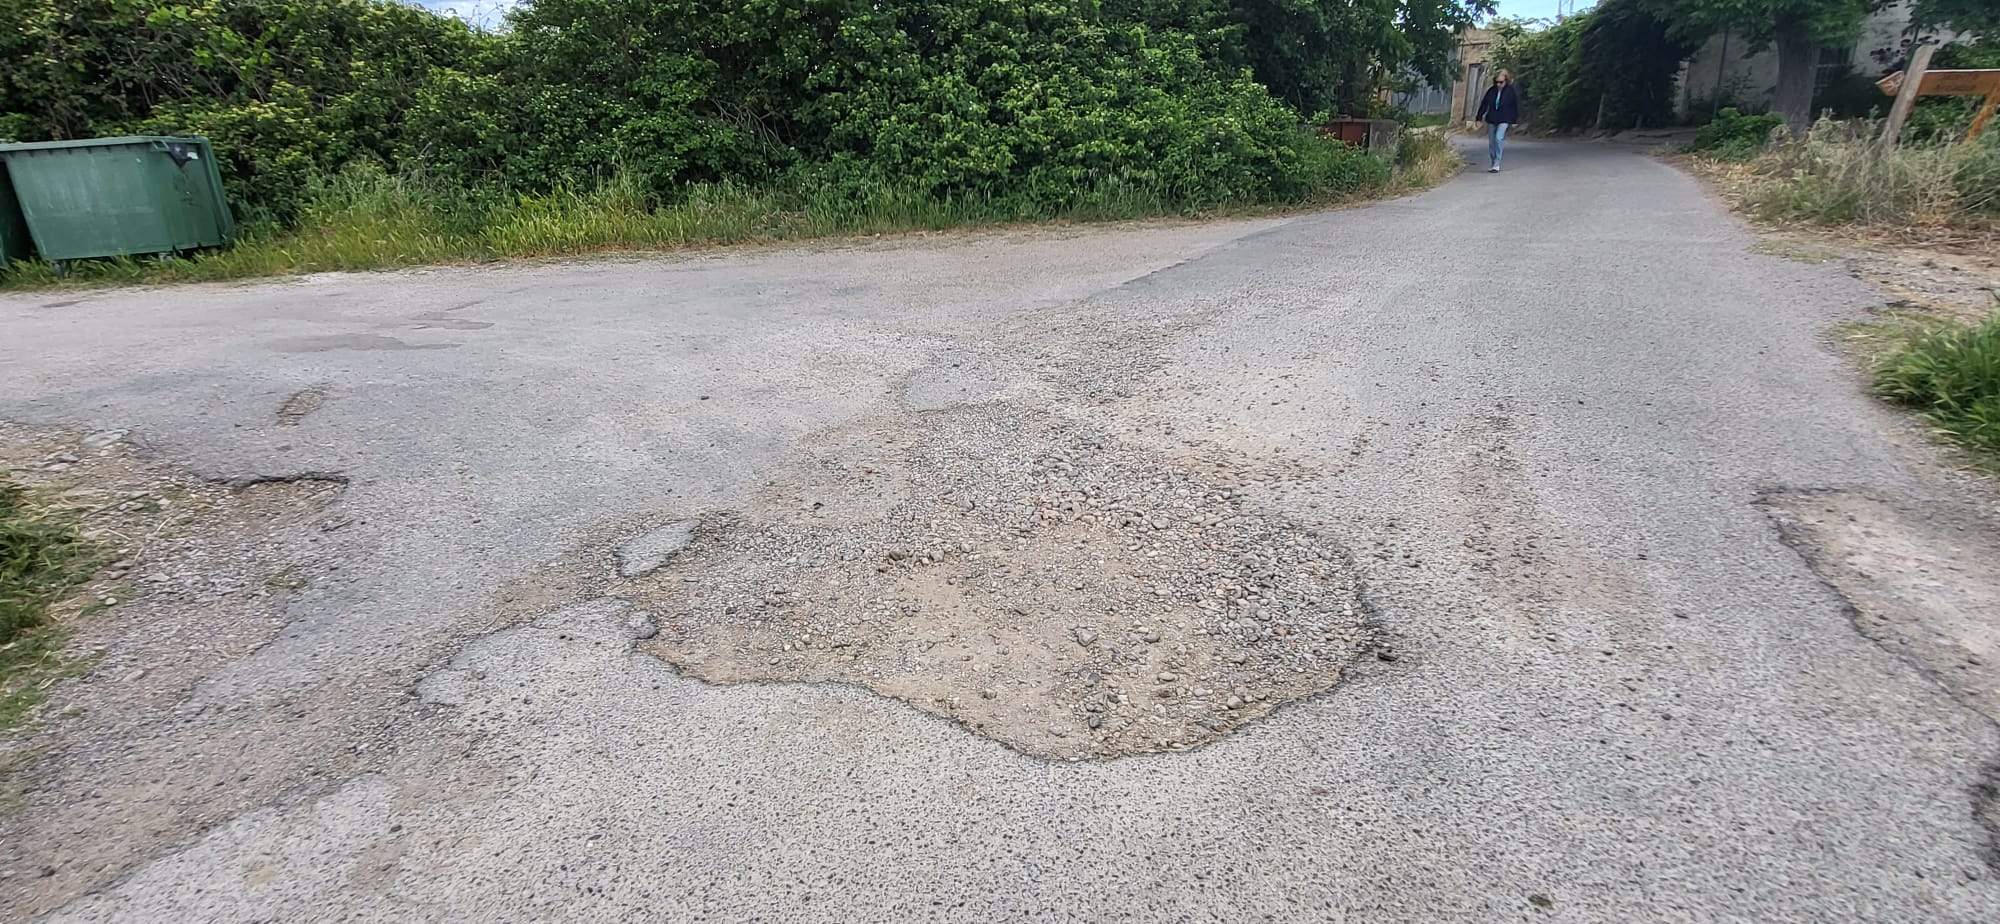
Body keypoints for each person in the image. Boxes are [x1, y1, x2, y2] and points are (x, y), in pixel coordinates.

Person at [1475, 70, 1522, 173]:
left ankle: (1497, 163)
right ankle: (1493, 162)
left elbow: (1515, 105)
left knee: (1498, 138)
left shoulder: (1511, 91)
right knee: (1491, 142)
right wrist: (1479, 118)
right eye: (1497, 82)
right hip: (1492, 118)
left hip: (1505, 118)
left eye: (1501, 82)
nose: (1499, 84)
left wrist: (1515, 120)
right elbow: (1484, 104)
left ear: (1506, 81)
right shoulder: (1491, 91)